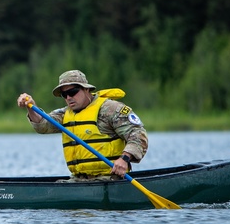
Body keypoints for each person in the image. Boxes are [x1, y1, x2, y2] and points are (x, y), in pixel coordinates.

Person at [17, 70, 148, 181]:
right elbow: (42, 125)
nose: (68, 97)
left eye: (73, 91)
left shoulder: (110, 109)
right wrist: (31, 107)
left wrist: (124, 159)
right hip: (78, 180)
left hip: (110, 179)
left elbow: (138, 134)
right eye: (64, 94)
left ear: (86, 89)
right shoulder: (64, 114)